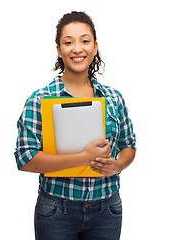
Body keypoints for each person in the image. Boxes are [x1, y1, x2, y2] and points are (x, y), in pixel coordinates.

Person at [14, 11, 136, 240]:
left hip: (107, 210)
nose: (77, 48)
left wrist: (117, 165)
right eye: (68, 42)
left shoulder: (114, 97)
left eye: (85, 41)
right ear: (59, 50)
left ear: (95, 46)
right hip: (56, 211)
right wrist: (83, 157)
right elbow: (24, 158)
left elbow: (129, 144)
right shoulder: (40, 99)